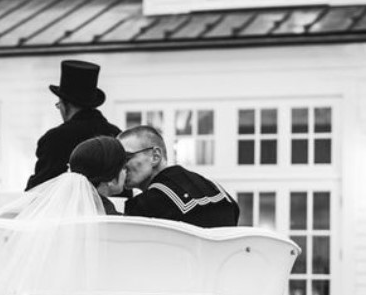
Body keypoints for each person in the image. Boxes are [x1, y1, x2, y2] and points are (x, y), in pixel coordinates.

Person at [25, 59, 120, 190]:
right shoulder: (115, 134)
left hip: (67, 209)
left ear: (65, 105)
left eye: (58, 105)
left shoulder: (55, 138)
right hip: (111, 208)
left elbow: (39, 188)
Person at [120, 125, 239, 226]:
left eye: (126, 157)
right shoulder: (219, 191)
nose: (120, 166)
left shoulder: (145, 205)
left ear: (155, 156)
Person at [68, 135, 127, 214]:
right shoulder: (111, 217)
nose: (126, 171)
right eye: (123, 167)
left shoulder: (66, 206)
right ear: (111, 179)